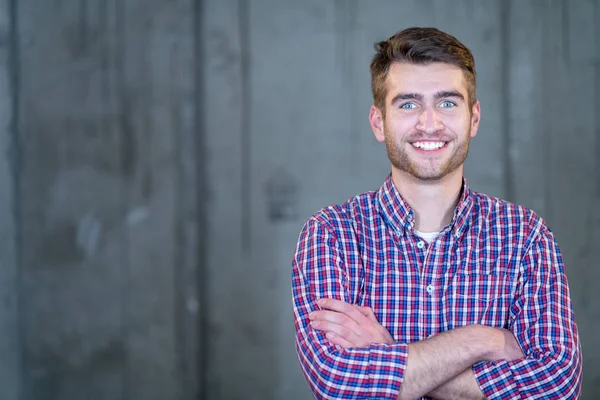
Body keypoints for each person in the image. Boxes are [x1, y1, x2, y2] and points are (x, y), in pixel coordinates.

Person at [291, 27, 582, 400]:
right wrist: (482, 340)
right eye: (408, 104)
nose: (430, 124)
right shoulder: (331, 235)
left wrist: (389, 354)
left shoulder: (525, 235)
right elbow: (340, 386)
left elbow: (558, 387)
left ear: (473, 118)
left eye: (447, 102)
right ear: (378, 122)